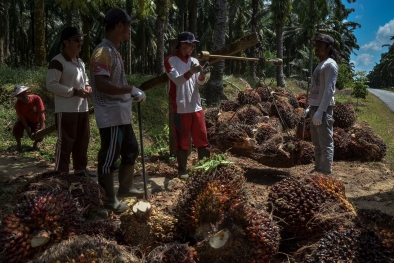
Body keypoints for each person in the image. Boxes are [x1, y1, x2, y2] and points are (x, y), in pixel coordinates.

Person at [90, 7, 146, 212]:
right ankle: (108, 199)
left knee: (131, 149)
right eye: (128, 26)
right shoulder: (103, 52)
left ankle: (125, 188)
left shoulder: (113, 51)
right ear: (120, 26)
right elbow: (103, 85)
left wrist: (129, 92)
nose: (130, 30)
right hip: (110, 114)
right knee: (109, 158)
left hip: (121, 112)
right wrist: (130, 89)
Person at [46, 27, 95, 177]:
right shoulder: (58, 61)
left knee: (82, 140)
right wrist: (74, 92)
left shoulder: (80, 62)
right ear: (66, 42)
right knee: (66, 142)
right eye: (76, 40)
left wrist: (87, 87)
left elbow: (84, 79)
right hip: (66, 109)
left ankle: (80, 170)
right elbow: (51, 84)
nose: (80, 43)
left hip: (82, 108)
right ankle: (61, 173)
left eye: (81, 40)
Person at [164, 31, 210, 180]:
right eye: (190, 44)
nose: (192, 48)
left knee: (202, 139)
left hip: (196, 105)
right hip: (181, 106)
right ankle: (182, 170)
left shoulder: (195, 61)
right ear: (182, 44)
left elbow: (199, 82)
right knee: (182, 140)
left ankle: (205, 168)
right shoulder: (170, 60)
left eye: (193, 45)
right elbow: (177, 80)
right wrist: (191, 71)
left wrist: (202, 75)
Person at [307, 34, 339, 175]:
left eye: (320, 45)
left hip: (323, 110)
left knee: (325, 144)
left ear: (329, 48)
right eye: (316, 45)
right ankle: (318, 169)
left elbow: (329, 90)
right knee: (316, 144)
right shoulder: (320, 64)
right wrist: (311, 106)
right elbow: (317, 88)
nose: (317, 48)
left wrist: (321, 110)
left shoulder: (330, 64)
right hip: (315, 108)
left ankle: (326, 174)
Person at [12, 85, 45, 151]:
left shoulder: (36, 98)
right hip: (25, 120)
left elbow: (41, 113)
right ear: (17, 97)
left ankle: (35, 144)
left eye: (24, 93)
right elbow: (22, 118)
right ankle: (18, 145)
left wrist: (41, 128)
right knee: (17, 127)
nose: (23, 96)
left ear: (26, 92)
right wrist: (29, 132)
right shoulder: (17, 105)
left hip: (36, 120)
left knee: (40, 134)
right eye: (20, 95)